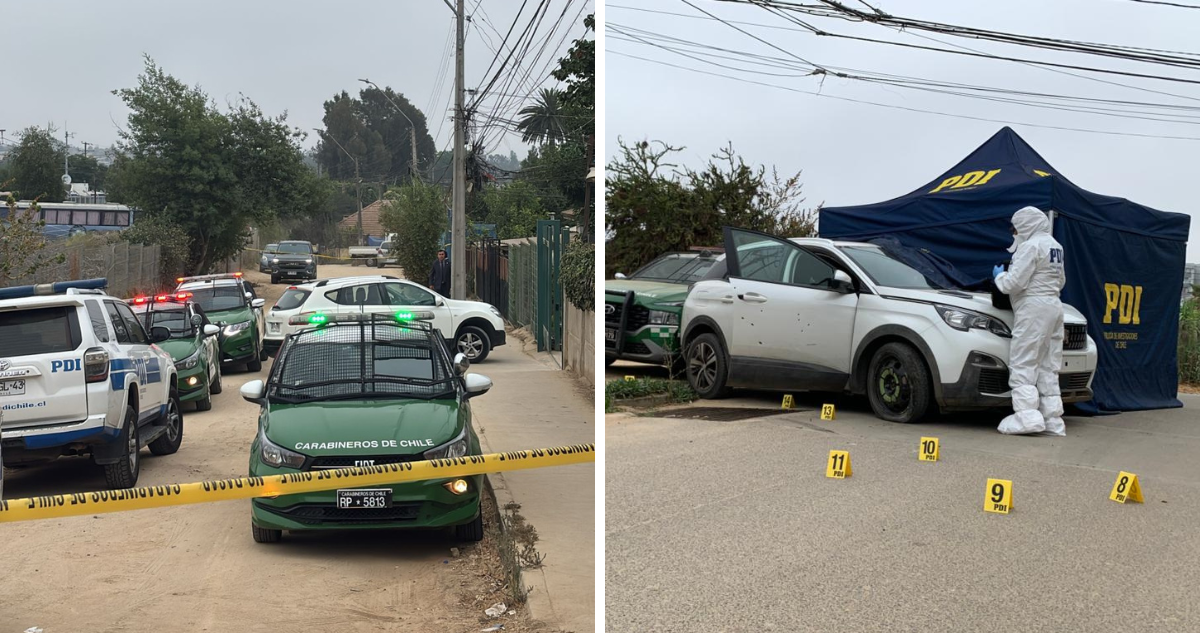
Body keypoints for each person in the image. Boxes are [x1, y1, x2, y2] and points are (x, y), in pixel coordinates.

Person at [993, 206, 1067, 437]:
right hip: (1054, 306)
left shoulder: (1030, 246)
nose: (1014, 233)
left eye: (1016, 228)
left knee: (1023, 362)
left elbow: (1013, 284)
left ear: (1025, 225)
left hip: (1033, 307)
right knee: (1048, 365)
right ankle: (1053, 421)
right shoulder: (1056, 246)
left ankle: (1027, 418)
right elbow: (1061, 281)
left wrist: (1000, 276)